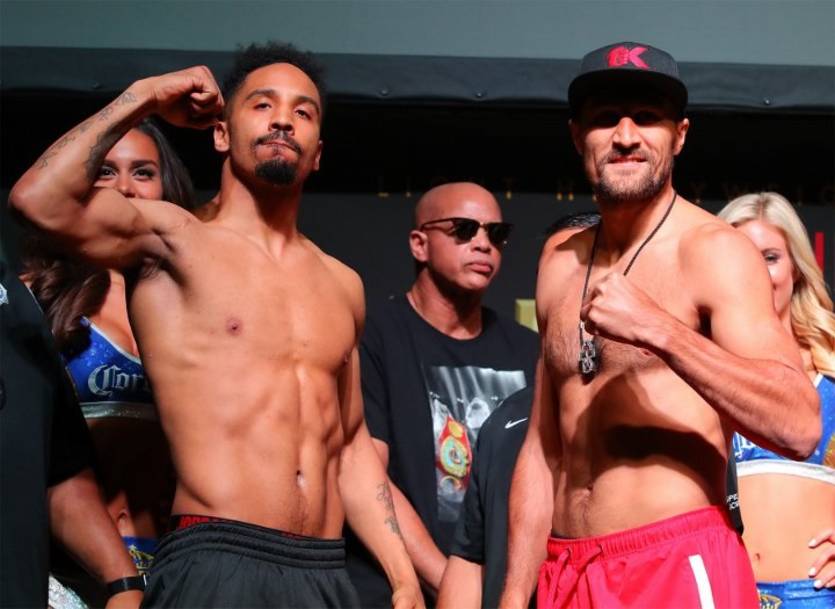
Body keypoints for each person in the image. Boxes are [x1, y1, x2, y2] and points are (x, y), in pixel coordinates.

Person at [10, 41, 422, 609]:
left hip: (325, 571)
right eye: (263, 104)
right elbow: (38, 199)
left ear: (317, 153)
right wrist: (144, 97)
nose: (283, 120)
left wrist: (402, 576)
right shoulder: (172, 241)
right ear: (222, 133)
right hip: (217, 558)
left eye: (303, 112)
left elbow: (349, 445)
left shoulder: (342, 283)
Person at [499, 42, 820, 609]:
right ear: (577, 135)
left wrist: (661, 330)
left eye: (647, 117)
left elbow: (798, 425)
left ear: (680, 136)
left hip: (675, 562)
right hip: (566, 571)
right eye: (606, 118)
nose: (625, 136)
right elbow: (542, 451)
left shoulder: (715, 252)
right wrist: (515, 592)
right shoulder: (559, 260)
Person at [346, 182, 539, 607]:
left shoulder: (528, 350)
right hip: (402, 593)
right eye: (464, 229)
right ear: (419, 244)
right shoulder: (375, 336)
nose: (483, 244)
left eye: (496, 234)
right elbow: (367, 474)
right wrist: (452, 586)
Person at [22, 118, 193, 589]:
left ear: (167, 187)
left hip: (177, 567)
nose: (124, 188)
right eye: (105, 172)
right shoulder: (36, 297)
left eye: (143, 172)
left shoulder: (200, 305)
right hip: (64, 571)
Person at [438, 212, 599, 609]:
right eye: (550, 276)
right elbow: (469, 558)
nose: (560, 293)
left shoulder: (656, 415)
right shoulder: (505, 420)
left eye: (579, 272)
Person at [0, 247, 142, 609]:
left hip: (167, 556)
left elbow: (61, 467)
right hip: (68, 574)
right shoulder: (38, 295)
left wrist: (124, 582)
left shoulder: (14, 300)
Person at [718, 192, 835, 608]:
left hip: (814, 595)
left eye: (769, 257)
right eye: (740, 257)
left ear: (796, 268)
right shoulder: (697, 368)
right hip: (720, 593)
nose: (755, 272)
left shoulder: (831, 365)